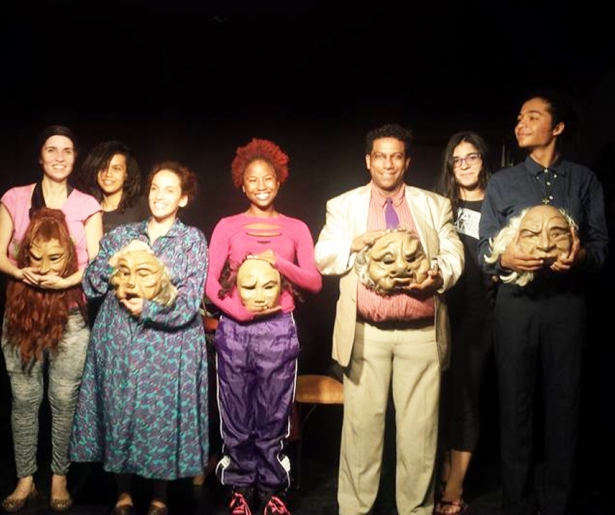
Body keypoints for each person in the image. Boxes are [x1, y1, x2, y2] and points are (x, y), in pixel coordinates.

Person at [314, 123, 463, 515]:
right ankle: (355, 510)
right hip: (367, 334)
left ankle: (415, 510)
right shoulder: (343, 205)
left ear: (407, 161)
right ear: (368, 161)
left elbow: (454, 253)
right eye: (380, 156)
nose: (388, 164)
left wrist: (438, 274)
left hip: (420, 335)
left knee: (420, 433)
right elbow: (323, 256)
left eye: (396, 156)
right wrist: (353, 243)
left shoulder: (434, 205)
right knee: (361, 432)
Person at [478, 92, 608, 515]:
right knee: (514, 405)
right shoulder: (503, 182)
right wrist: (506, 259)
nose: (521, 124)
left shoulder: (584, 181)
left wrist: (581, 256)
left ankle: (557, 503)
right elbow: (482, 250)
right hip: (516, 306)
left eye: (532, 117)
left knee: (565, 404)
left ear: (557, 127)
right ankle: (517, 503)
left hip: (566, 305)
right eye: (519, 117)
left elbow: (601, 249)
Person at [70, 162, 209, 515]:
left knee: (159, 418)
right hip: (119, 340)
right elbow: (91, 285)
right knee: (119, 411)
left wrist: (147, 308)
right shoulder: (122, 234)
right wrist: (114, 261)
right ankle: (123, 492)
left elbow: (190, 301)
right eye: (155, 188)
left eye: (169, 190)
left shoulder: (191, 240)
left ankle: (160, 494)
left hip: (168, 345)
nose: (159, 196)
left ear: (183, 199)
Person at [0, 125, 102, 513]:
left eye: (66, 150)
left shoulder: (87, 205)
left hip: (70, 316)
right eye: (51, 149)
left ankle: (58, 478)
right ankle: (25, 479)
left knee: (64, 399)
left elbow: (97, 262)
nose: (59, 157)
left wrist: (67, 280)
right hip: (23, 315)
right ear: (40, 156)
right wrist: (21, 273)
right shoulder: (15, 198)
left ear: (74, 158)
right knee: (24, 399)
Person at [204, 138, 321, 515]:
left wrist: (278, 262)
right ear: (242, 184)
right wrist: (236, 313)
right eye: (252, 179)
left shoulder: (295, 228)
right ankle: (239, 489)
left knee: (274, 414)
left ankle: (272, 492)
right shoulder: (227, 226)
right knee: (236, 412)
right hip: (235, 330)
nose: (261, 185)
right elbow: (210, 284)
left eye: (267, 178)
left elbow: (314, 281)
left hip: (278, 329)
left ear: (279, 180)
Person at [434, 131, 494, 514]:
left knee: (466, 395)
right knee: (439, 395)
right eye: (457, 159)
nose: (465, 165)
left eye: (472, 157)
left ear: (483, 160)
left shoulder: (498, 203)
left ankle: (455, 487)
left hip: (480, 313)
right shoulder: (441, 205)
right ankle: (441, 472)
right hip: (441, 311)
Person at [76, 140, 149, 232]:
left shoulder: (142, 206)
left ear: (126, 174)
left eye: (116, 169)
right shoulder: (87, 210)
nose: (108, 174)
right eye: (103, 167)